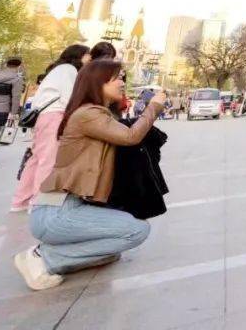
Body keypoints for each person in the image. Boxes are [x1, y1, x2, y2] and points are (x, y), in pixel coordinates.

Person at [14, 59, 166, 290]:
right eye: (117, 78)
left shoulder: (98, 115)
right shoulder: (87, 114)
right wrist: (153, 107)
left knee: (115, 244)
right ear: (98, 82)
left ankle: (60, 254)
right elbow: (131, 136)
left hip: (67, 208)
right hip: (57, 213)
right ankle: (44, 258)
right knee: (137, 230)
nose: (122, 83)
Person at [10, 44, 91, 211]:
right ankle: (39, 203)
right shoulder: (69, 70)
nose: (89, 58)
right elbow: (69, 98)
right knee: (48, 160)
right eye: (87, 54)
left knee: (36, 159)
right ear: (79, 55)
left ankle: (21, 201)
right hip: (55, 116)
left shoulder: (57, 69)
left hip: (44, 117)